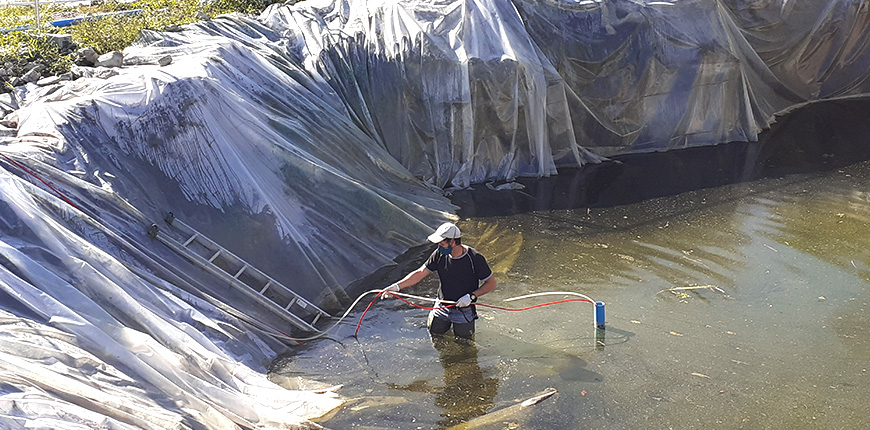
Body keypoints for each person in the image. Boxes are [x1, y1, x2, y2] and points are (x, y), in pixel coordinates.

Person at [383, 222, 496, 339]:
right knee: (435, 336)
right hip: (441, 307)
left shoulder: (475, 258)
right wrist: (396, 287)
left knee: (465, 345)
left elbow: (491, 284)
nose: (439, 247)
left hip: (463, 310)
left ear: (453, 241)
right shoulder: (439, 254)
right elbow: (420, 273)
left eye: (442, 243)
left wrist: (471, 296)